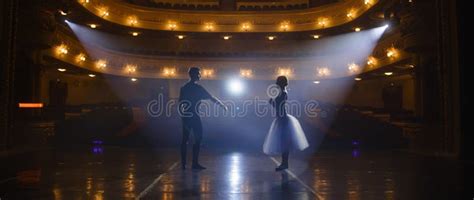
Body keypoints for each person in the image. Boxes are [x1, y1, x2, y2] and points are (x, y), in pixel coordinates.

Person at [178, 67, 227, 170]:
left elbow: (180, 104)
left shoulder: (184, 88)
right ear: (195, 75)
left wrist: (182, 116)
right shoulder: (197, 88)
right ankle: (194, 163)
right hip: (194, 116)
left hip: (187, 116)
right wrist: (222, 105)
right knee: (197, 139)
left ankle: (184, 164)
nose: (200, 75)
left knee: (185, 140)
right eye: (199, 74)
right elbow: (211, 97)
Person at [263, 76, 309, 171]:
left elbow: (276, 104)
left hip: (283, 118)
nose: (276, 83)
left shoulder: (282, 93)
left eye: (278, 82)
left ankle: (284, 163)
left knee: (284, 142)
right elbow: (273, 103)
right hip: (281, 118)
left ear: (280, 83)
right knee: (283, 142)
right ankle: (284, 163)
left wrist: (273, 100)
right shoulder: (281, 92)